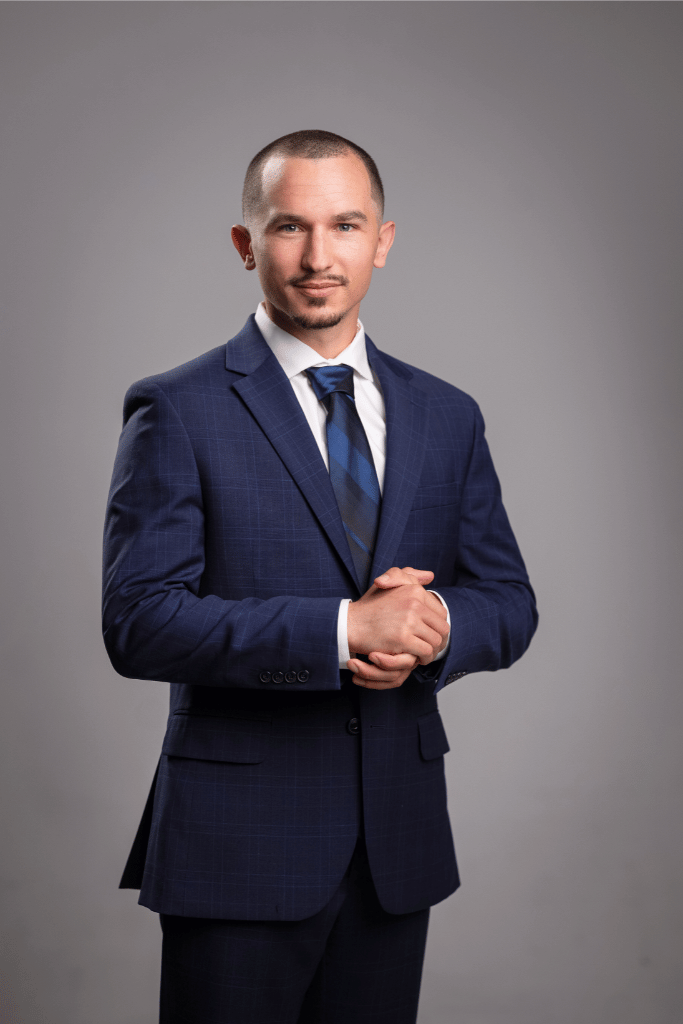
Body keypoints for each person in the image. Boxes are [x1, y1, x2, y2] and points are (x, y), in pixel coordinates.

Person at [102, 129, 537, 1024]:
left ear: (381, 240)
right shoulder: (177, 409)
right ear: (245, 244)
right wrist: (344, 631)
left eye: (344, 226)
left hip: (395, 844)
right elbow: (139, 621)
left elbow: (508, 602)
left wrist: (434, 628)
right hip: (236, 846)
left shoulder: (445, 414)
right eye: (289, 227)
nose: (316, 256)